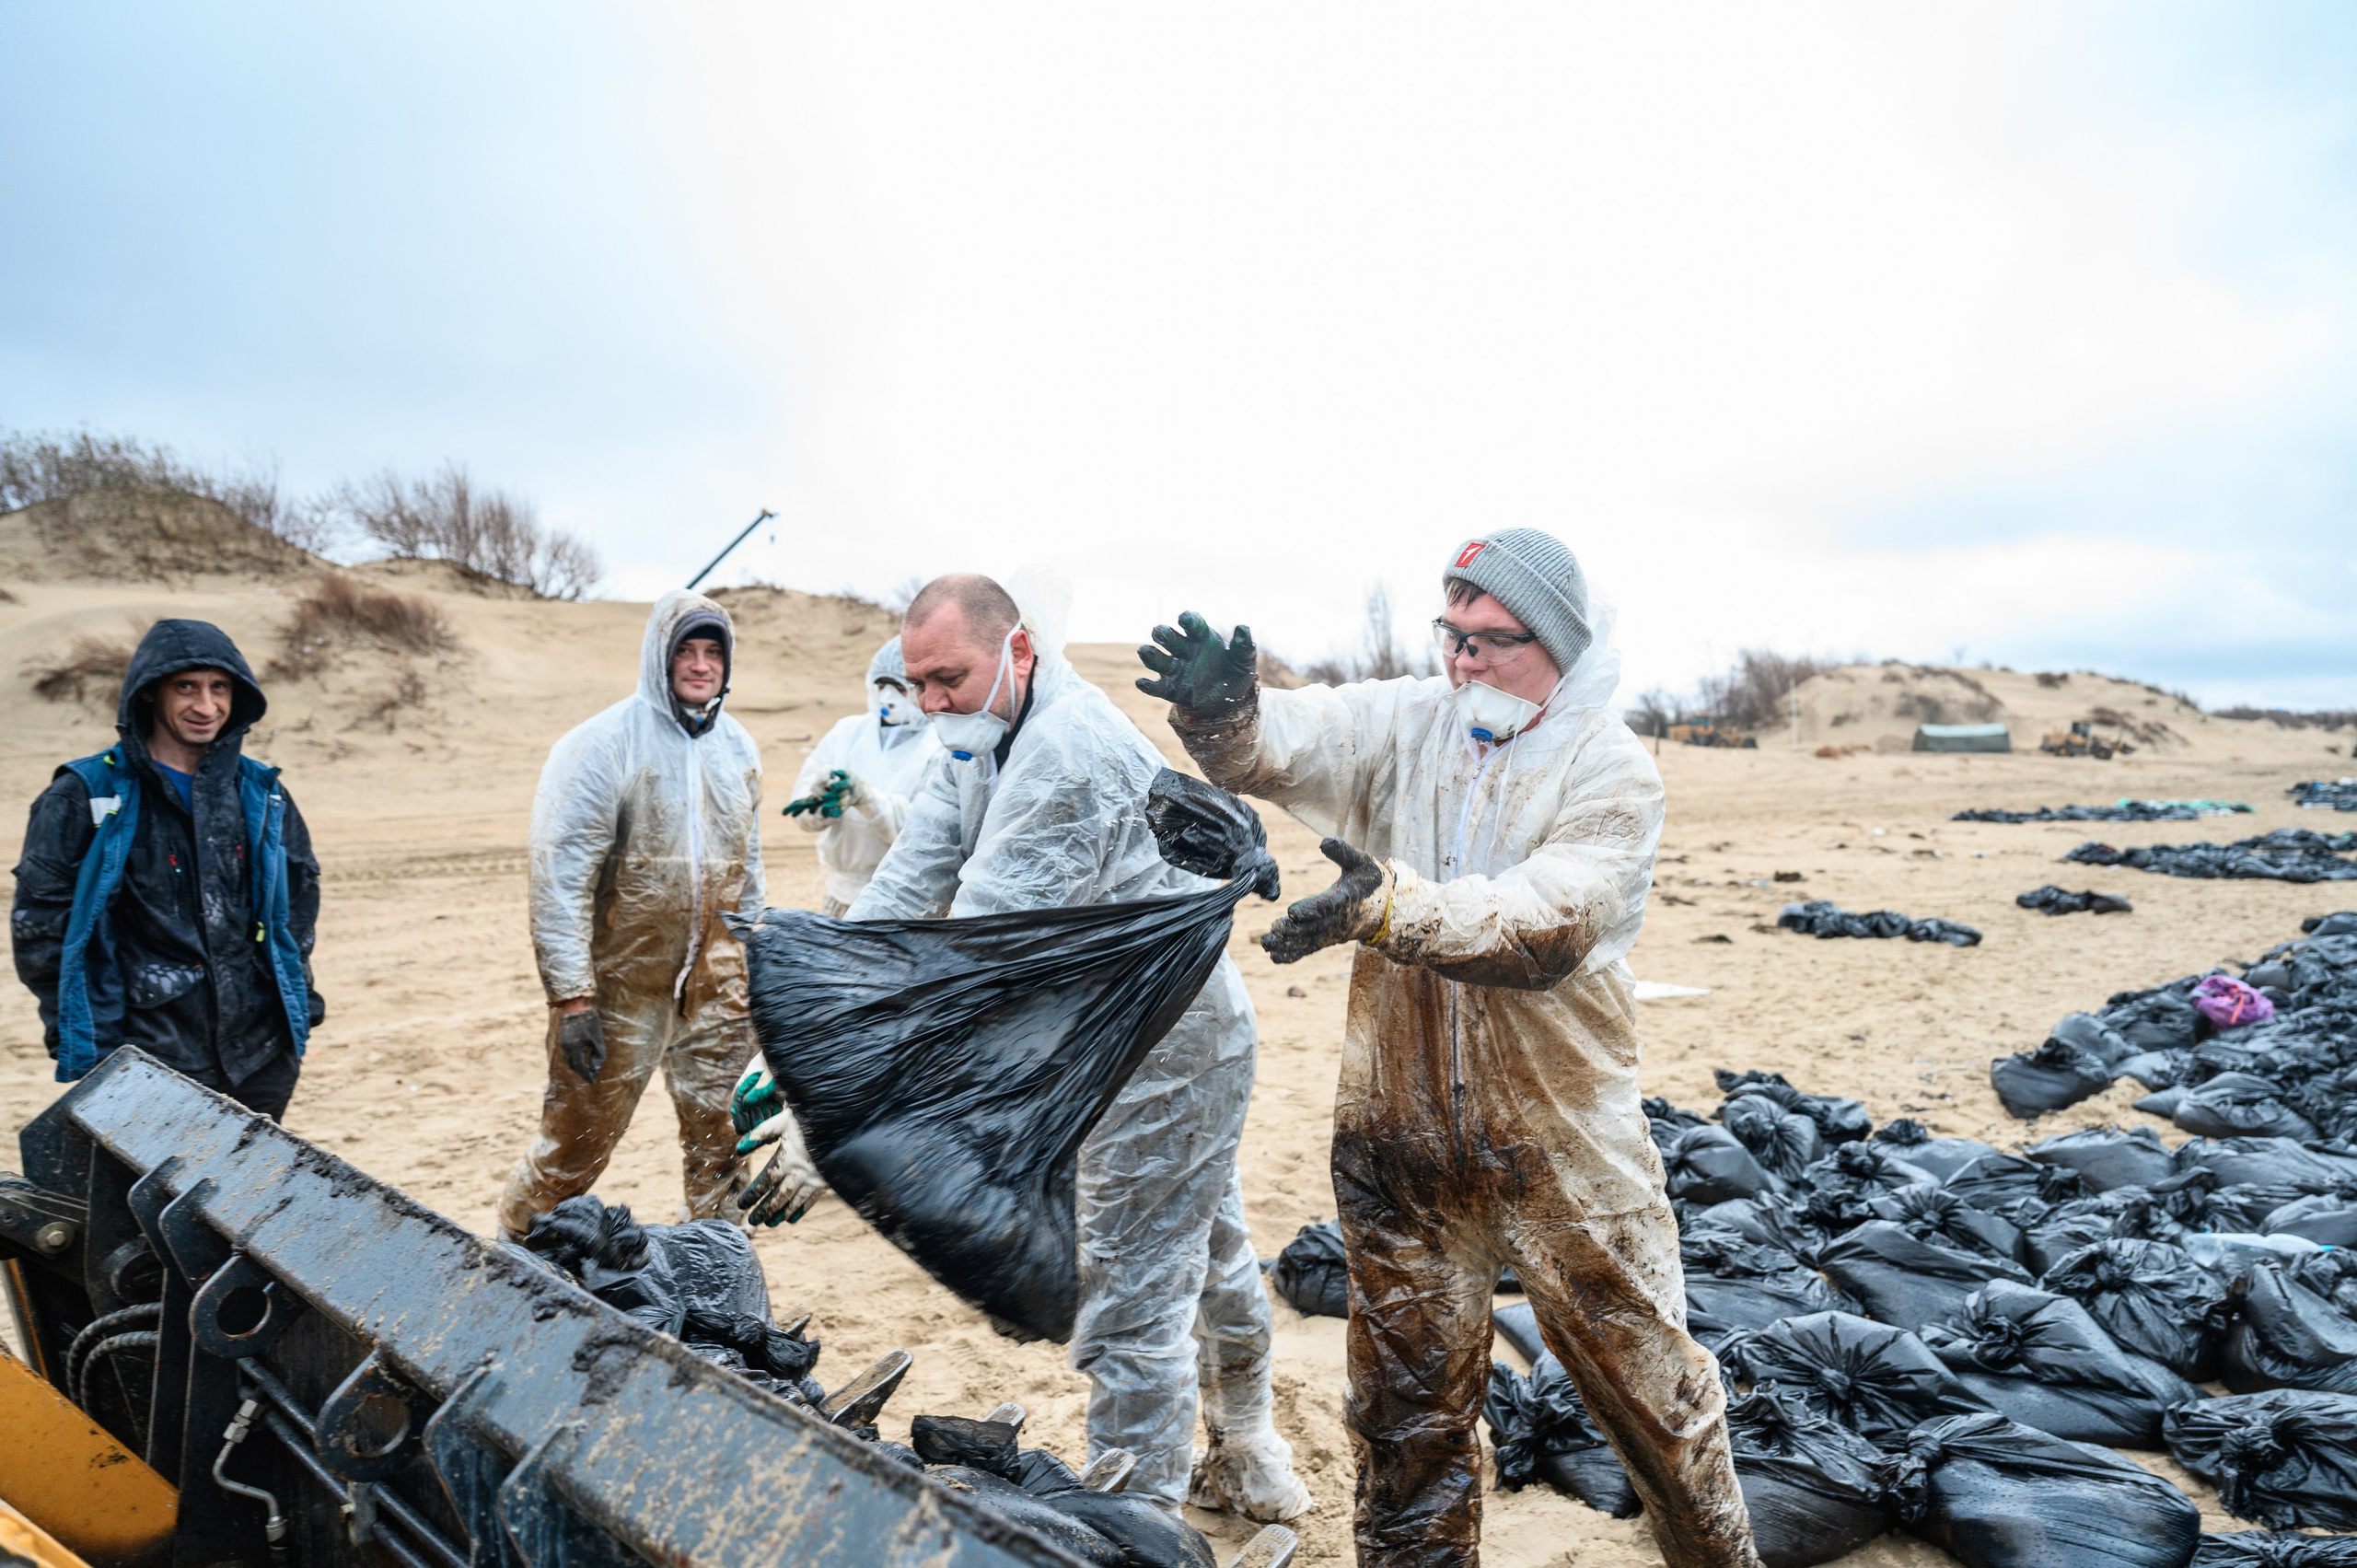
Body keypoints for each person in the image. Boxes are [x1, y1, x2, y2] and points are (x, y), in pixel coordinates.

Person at [1138, 529, 1758, 1568]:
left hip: (1562, 1147)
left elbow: (1546, 923)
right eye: (1451, 635)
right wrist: (1224, 713)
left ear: (1555, 643)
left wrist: (1388, 907)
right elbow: (1290, 742)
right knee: (1403, 1420)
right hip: (1398, 1140)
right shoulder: (1409, 722)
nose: (1461, 661)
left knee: (1655, 1396)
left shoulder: (1609, 769)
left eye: (1490, 641)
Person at [784, 573, 1309, 1522]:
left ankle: (1137, 1522)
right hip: (1116, 1035)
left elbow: (976, 962)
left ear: (1016, 651)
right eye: (918, 685)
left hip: (1162, 1054)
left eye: (950, 676)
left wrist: (830, 1109)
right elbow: (905, 890)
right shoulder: (976, 739)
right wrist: (804, 1042)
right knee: (1208, 1244)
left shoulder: (1066, 749)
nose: (932, 703)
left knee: (1130, 1301)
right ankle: (1250, 1452)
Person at [496, 590, 770, 1242]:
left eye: (714, 652)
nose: (701, 665)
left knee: (723, 1149)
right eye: (686, 649)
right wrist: (571, 999)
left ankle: (719, 1277)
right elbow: (560, 880)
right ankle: (510, 1263)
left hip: (719, 989)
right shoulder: (601, 744)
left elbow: (749, 870)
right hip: (620, 993)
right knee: (573, 1153)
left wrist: (760, 968)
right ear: (659, 656)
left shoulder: (738, 749)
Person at [11, 620, 321, 1119]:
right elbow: (42, 932)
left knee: (239, 1195)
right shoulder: (86, 795)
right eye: (186, 687)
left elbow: (297, 911)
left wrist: (295, 1008)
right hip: (143, 1060)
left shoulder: (263, 795)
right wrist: (95, 1049)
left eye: (219, 688)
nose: (206, 706)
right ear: (150, 693)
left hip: (260, 1058)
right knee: (140, 1198)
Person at [783, 636, 942, 914]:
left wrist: (866, 798)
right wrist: (821, 803)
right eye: (882, 685)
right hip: (840, 894)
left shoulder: (938, 745)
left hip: (901, 903)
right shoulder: (848, 733)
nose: (887, 697)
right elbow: (802, 812)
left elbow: (925, 831)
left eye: (900, 687)